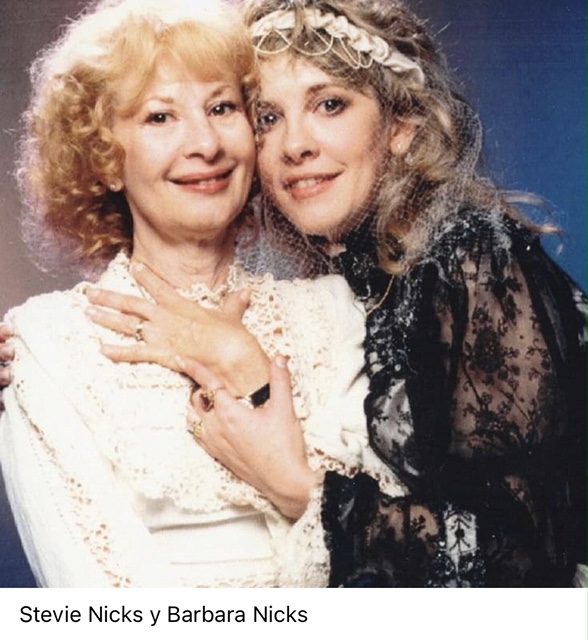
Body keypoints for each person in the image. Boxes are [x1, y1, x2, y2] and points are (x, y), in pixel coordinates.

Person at [79, 0, 588, 587]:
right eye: (268, 117)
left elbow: (527, 567)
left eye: (329, 104)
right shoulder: (357, 285)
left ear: (402, 127)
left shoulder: (470, 256)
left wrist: (298, 488)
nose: (295, 144)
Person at [0, 0, 401, 588]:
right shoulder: (44, 345)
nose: (205, 144)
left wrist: (246, 366)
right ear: (104, 157)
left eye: (222, 108)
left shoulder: (336, 313)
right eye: (160, 117)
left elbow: (397, 564)